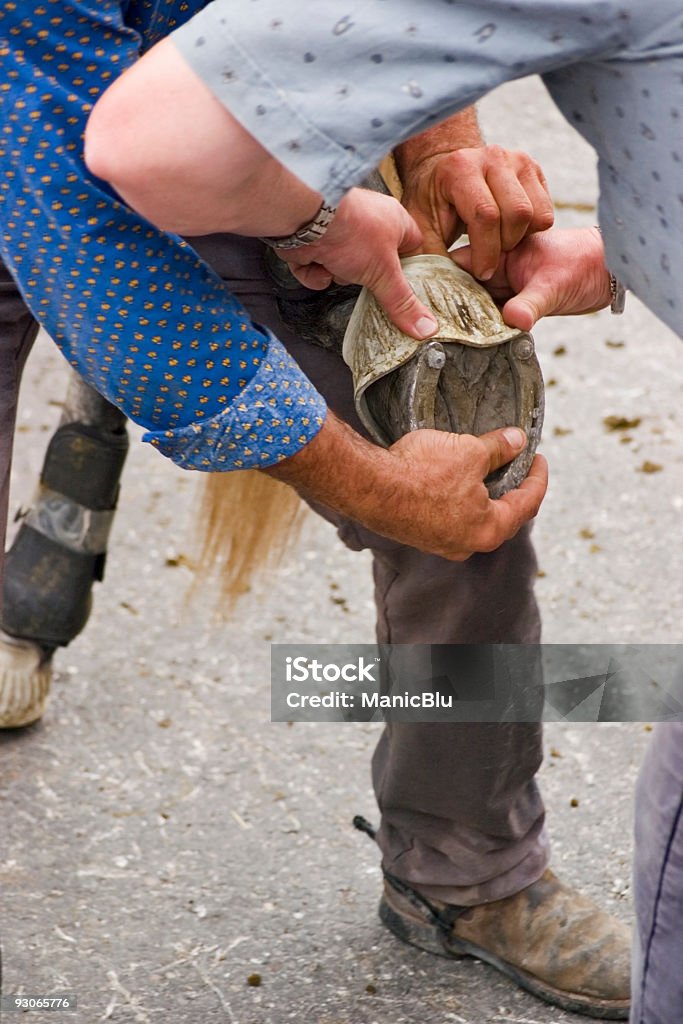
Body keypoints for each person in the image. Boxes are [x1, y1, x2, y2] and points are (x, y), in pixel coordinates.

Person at [0, 1, 633, 1018]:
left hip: (217, 104)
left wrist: (438, 137)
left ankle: (464, 869)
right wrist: (368, 477)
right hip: (39, 99)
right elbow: (118, 279)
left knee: (465, 477)